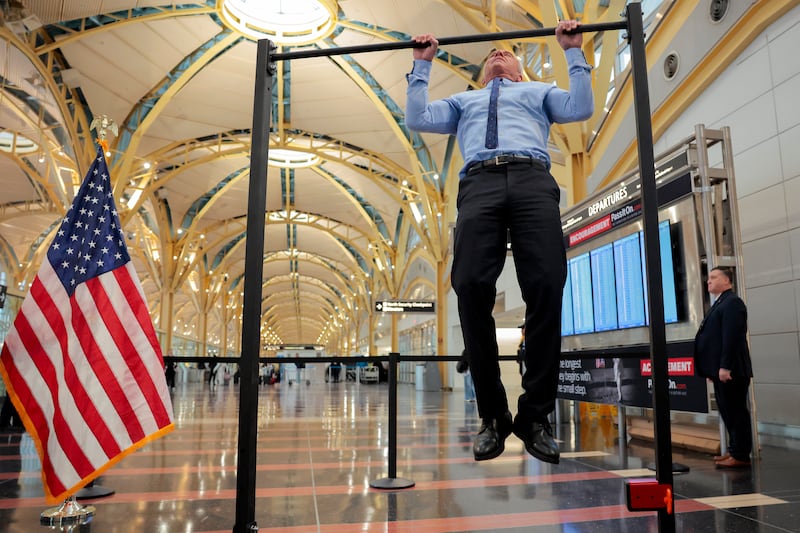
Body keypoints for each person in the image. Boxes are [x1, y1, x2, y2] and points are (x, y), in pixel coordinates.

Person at [406, 20, 592, 464]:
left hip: (531, 178)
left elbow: (581, 106)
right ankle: (493, 415)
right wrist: (421, 66)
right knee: (469, 285)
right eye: (490, 56)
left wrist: (572, 51)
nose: (496, 55)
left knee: (546, 285)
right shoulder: (463, 101)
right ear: (482, 73)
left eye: (505, 53)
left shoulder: (539, 91)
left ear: (520, 69)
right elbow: (417, 118)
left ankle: (534, 416)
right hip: (481, 182)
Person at [694, 266, 754, 469]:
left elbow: (732, 337)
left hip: (733, 370)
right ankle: (734, 450)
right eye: (708, 277)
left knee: (736, 411)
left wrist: (725, 367)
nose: (708, 281)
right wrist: (713, 369)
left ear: (727, 281)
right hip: (721, 371)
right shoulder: (720, 303)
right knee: (728, 411)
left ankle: (741, 454)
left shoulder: (732, 303)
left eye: (713, 277)